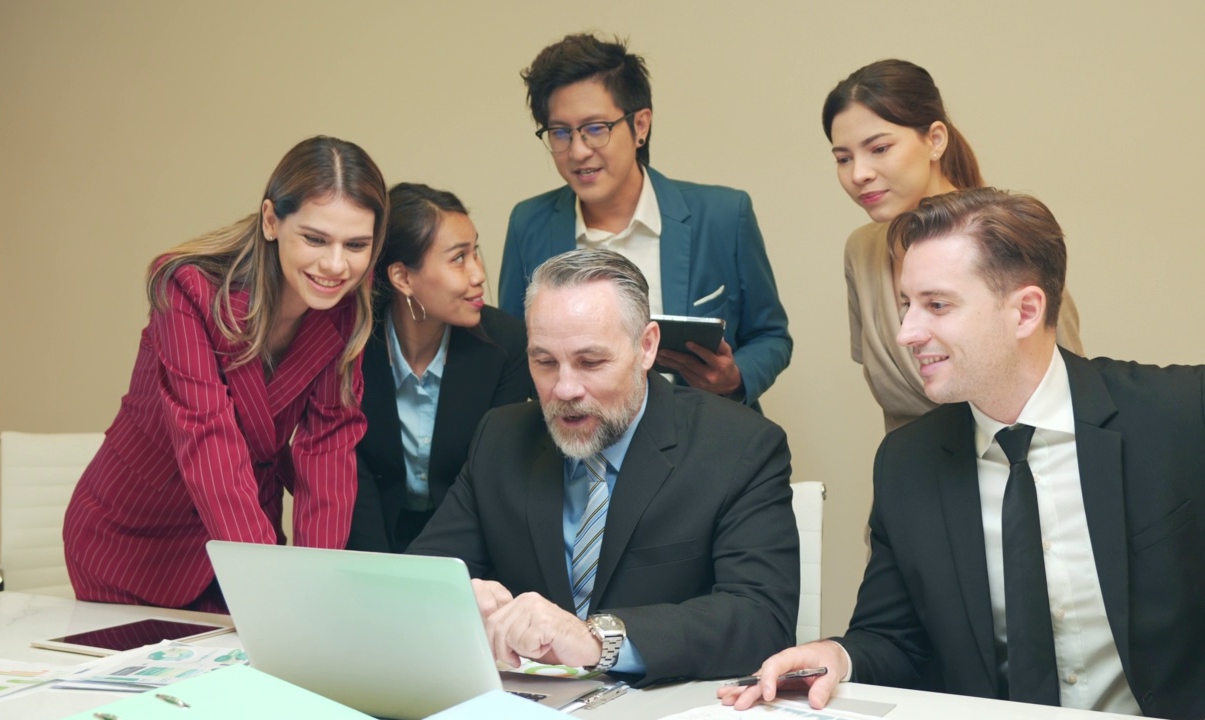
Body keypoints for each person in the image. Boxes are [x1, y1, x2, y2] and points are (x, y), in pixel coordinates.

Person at [721, 189, 1205, 720]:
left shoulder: (1178, 417)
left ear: (1024, 311)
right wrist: (834, 655)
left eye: (937, 305)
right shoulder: (909, 462)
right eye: (907, 304)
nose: (907, 332)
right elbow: (894, 638)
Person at [411, 249, 798, 686]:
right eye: (544, 362)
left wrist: (599, 640)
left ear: (646, 347)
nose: (565, 388)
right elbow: (418, 579)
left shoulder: (738, 445)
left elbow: (761, 618)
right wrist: (455, 595)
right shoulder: (500, 438)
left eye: (591, 362)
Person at [63, 136, 387, 612]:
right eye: (315, 239)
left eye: (356, 245)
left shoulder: (345, 305)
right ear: (272, 221)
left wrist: (313, 587)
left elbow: (328, 450)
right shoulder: (188, 288)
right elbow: (207, 438)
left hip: (240, 536)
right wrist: (269, 587)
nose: (336, 265)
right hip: (133, 538)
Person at [498, 33, 792, 409]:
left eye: (595, 129)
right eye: (560, 132)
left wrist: (734, 378)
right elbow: (512, 351)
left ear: (640, 126)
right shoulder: (530, 224)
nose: (578, 151)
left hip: (704, 433)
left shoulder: (722, 215)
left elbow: (771, 336)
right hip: (580, 443)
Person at [825, 59, 1084, 431]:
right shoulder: (862, 252)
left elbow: (1066, 383)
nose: (858, 174)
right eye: (843, 159)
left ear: (934, 140)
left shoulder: (1000, 238)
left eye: (879, 149)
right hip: (916, 477)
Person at [346, 183, 532, 553]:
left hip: (469, 548)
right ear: (402, 277)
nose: (478, 274)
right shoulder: (351, 348)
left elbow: (493, 481)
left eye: (475, 252)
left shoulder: (505, 344)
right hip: (372, 541)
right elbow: (353, 477)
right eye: (458, 258)